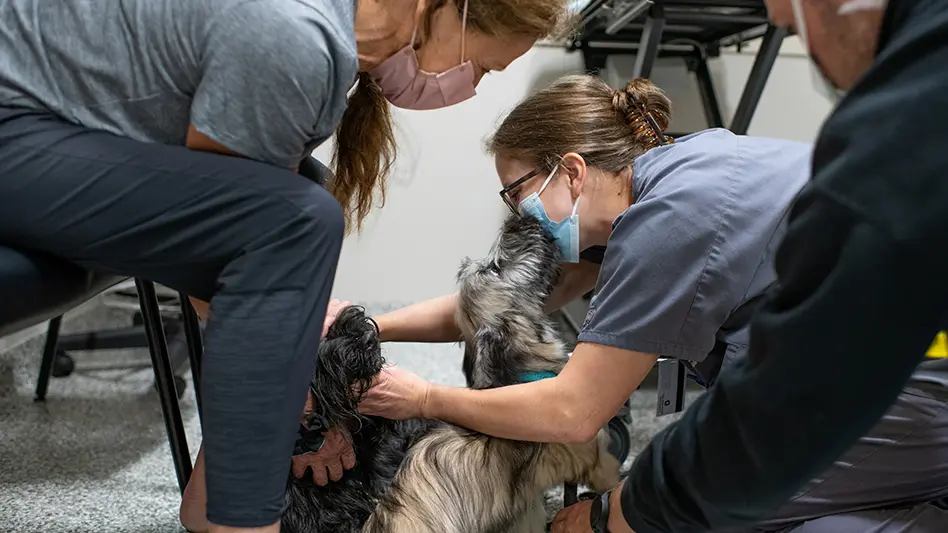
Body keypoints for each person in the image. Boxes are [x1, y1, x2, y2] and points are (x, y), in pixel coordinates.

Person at [359, 0, 948, 531]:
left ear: (569, 171)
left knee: (717, 503)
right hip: (874, 357)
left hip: (905, 374)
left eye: (516, 194)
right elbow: (499, 303)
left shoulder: (667, 222)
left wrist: (425, 399)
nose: (518, 215)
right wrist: (367, 324)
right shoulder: (667, 177)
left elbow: (571, 411)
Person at [0, 0, 571, 532]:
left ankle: (218, 502)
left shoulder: (324, 42)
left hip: (49, 130)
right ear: (452, 9)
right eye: (486, 68)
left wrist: (301, 377)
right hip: (20, 120)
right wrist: (300, 399)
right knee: (299, 219)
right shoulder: (296, 37)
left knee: (304, 195)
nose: (469, 88)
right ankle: (242, 519)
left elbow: (227, 220)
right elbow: (220, 245)